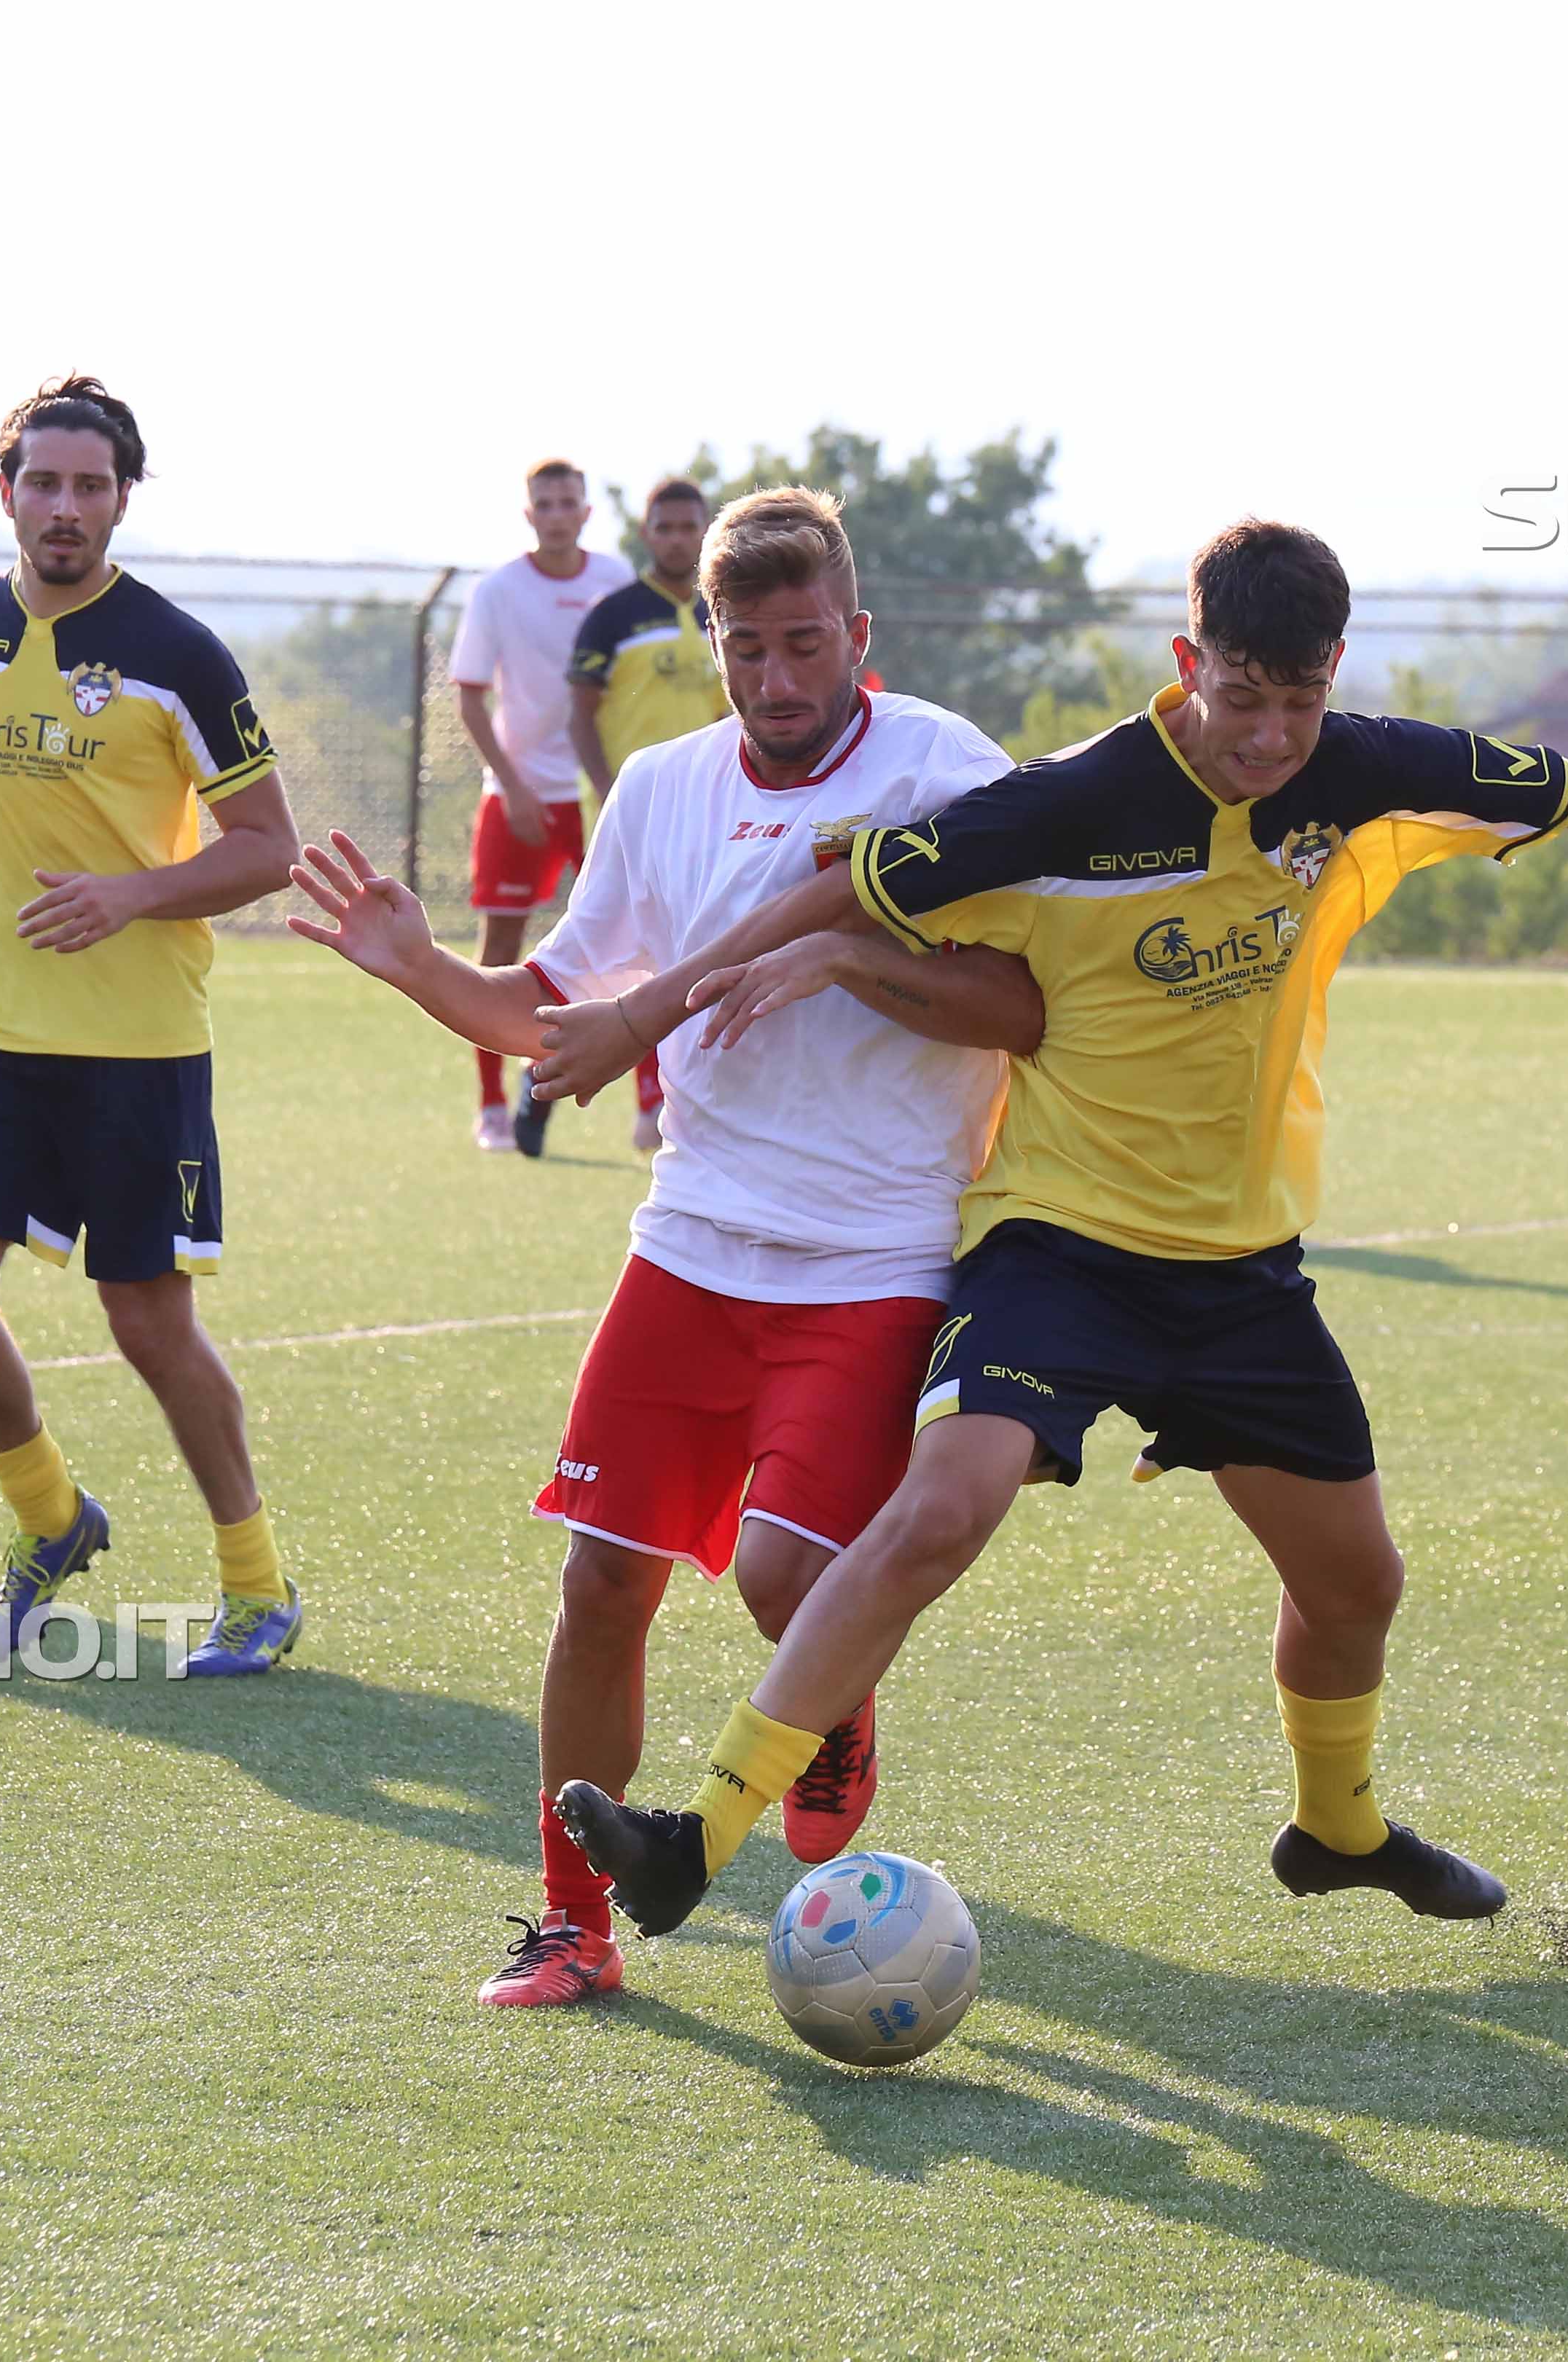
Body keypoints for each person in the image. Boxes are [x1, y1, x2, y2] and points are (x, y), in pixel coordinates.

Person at [538, 517, 1568, 1938]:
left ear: (1334, 674)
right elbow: (822, 888)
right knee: (939, 1515)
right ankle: (698, 1839)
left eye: (1300, 702)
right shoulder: (1068, 801)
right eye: (1244, 698)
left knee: (1358, 1586)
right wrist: (642, 1013)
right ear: (1190, 660)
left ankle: (1338, 1829)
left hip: (1237, 1272)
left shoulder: (1364, 767)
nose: (1271, 737)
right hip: (1053, 1243)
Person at [286, 487, 1037, 2006]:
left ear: (858, 636)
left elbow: (1028, 1010)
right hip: (690, 1241)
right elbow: (554, 1011)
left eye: (806, 645)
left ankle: (836, 1704)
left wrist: (851, 960)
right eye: (746, 647)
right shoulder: (666, 788)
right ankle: (572, 1925)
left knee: (780, 1580)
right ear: (711, 641)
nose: (776, 679)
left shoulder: (951, 775)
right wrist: (423, 967)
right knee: (600, 1584)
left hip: (875, 1251)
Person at [0, 376, 309, 1676]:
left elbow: (269, 848)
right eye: (41, 482)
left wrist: (132, 895)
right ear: (8, 494)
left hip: (139, 1047)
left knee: (147, 1322)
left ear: (119, 500)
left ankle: (254, 1584)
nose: (63, 506)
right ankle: (52, 1517)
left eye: (88, 486)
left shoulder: (179, 654)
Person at [449, 458, 630, 1151]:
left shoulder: (615, 582)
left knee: (635, 942)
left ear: (586, 512)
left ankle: (649, 1106)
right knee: (500, 950)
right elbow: (468, 696)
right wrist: (515, 785)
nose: (557, 514)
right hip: (517, 797)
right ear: (530, 514)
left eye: (568, 503)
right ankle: (491, 1105)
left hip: (598, 793)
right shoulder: (498, 590)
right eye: (544, 504)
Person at [562, 475, 726, 1153]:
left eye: (691, 527)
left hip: (708, 809)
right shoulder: (616, 614)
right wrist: (606, 792)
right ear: (647, 534)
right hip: (628, 809)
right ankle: (546, 1085)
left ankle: (663, 1104)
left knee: (693, 946)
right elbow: (578, 715)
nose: (678, 539)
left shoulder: (725, 612)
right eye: (666, 528)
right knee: (617, 955)